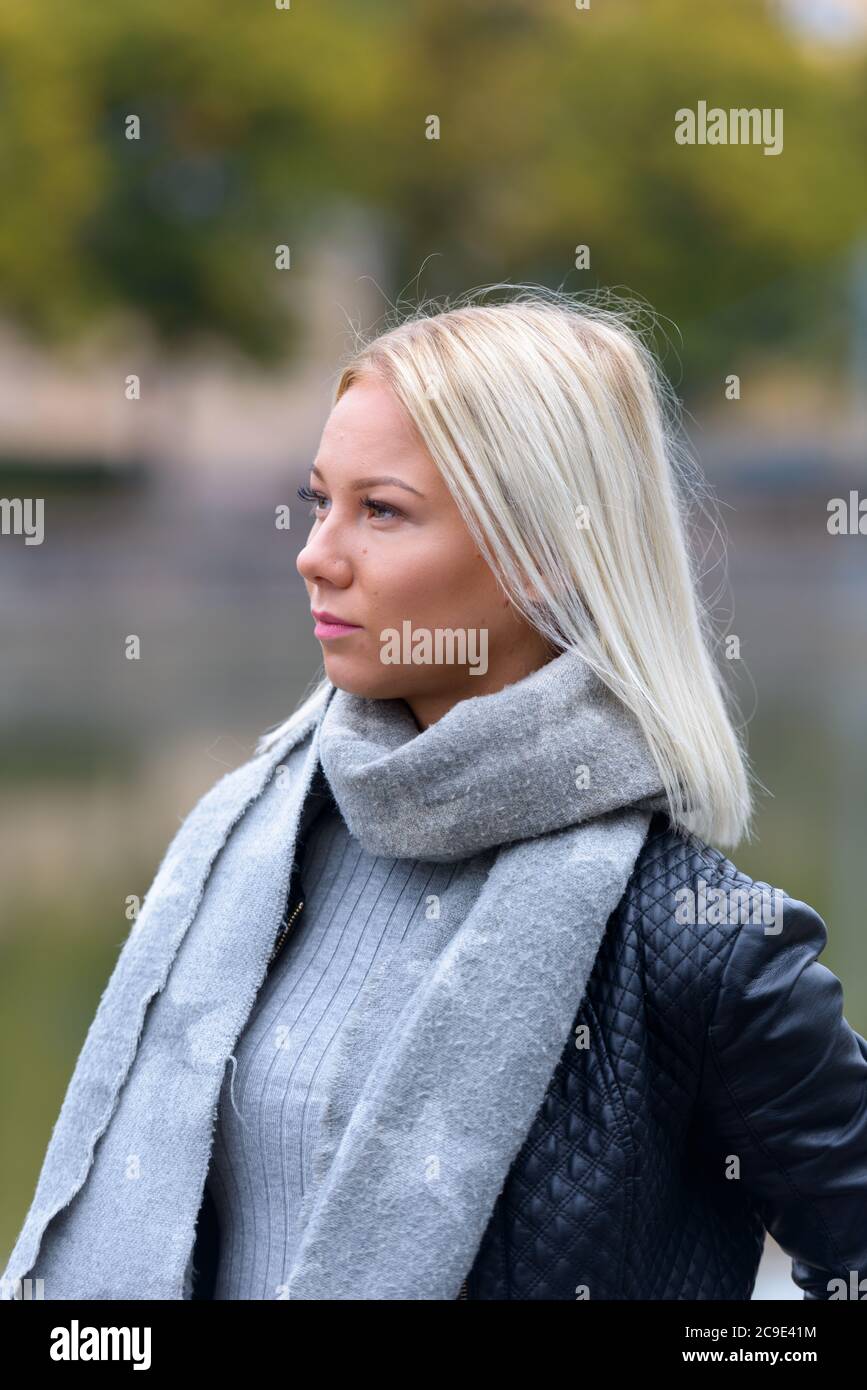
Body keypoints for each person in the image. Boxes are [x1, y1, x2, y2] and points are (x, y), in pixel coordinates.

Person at [3, 287, 866, 1302]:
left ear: (544, 552)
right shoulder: (245, 845)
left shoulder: (699, 941)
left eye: (381, 511)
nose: (315, 553)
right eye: (318, 500)